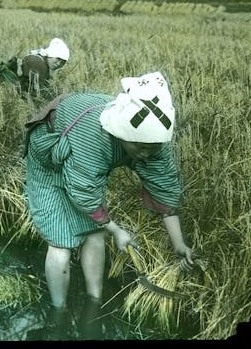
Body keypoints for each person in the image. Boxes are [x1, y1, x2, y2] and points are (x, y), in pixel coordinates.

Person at [22, 71, 196, 340]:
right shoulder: (97, 137)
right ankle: (59, 311)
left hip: (84, 163)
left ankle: (94, 301)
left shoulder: (153, 140)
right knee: (61, 242)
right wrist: (117, 230)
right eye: (139, 147)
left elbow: (164, 189)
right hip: (49, 156)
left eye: (152, 148)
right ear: (121, 132)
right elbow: (83, 193)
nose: (146, 153)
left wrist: (179, 244)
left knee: (95, 232)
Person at [0, 37, 70, 100]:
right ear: (51, 54)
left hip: (4, 91)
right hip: (1, 92)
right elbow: (35, 94)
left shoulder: (42, 62)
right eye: (58, 59)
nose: (59, 64)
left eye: (63, 62)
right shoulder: (38, 63)